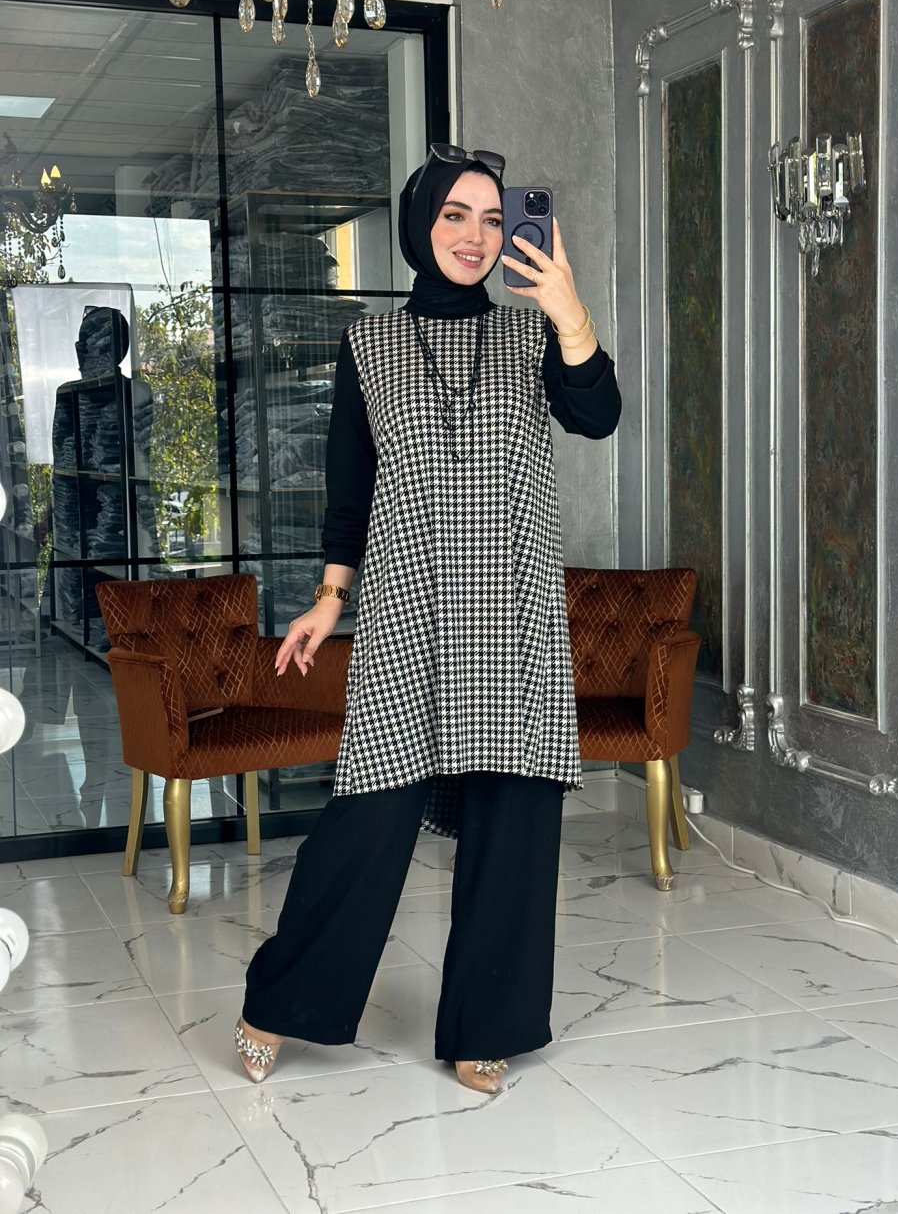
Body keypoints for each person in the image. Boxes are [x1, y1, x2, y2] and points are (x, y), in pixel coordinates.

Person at [236, 143, 621, 1094]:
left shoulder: (535, 334)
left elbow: (599, 414)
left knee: (512, 821)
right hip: (407, 609)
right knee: (367, 819)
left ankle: (487, 1023)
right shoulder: (368, 345)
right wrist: (330, 600)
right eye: (455, 214)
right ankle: (281, 997)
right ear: (420, 224)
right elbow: (350, 492)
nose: (475, 236)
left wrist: (570, 311)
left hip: (515, 614)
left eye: (492, 219)